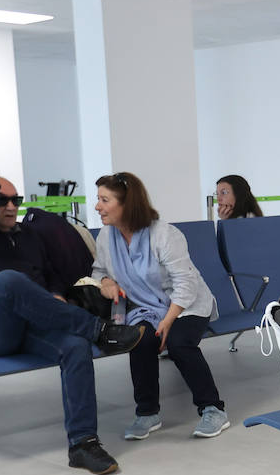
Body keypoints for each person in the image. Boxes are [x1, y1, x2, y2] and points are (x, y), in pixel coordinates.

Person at [0, 166, 144, 475]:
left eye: (16, 199)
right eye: (1, 200)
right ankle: (100, 330)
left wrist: (54, 294)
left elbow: (47, 276)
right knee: (8, 281)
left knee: (75, 346)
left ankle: (83, 443)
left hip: (25, 329)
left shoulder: (27, 237)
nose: (11, 207)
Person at [94, 172, 230, 440]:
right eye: (98, 199)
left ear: (126, 204)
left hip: (186, 304)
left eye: (104, 200)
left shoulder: (165, 235)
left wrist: (168, 320)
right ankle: (147, 413)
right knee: (140, 339)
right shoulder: (105, 238)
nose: (97, 206)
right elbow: (98, 271)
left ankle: (213, 409)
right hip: (145, 307)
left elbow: (185, 283)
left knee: (179, 343)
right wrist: (106, 281)